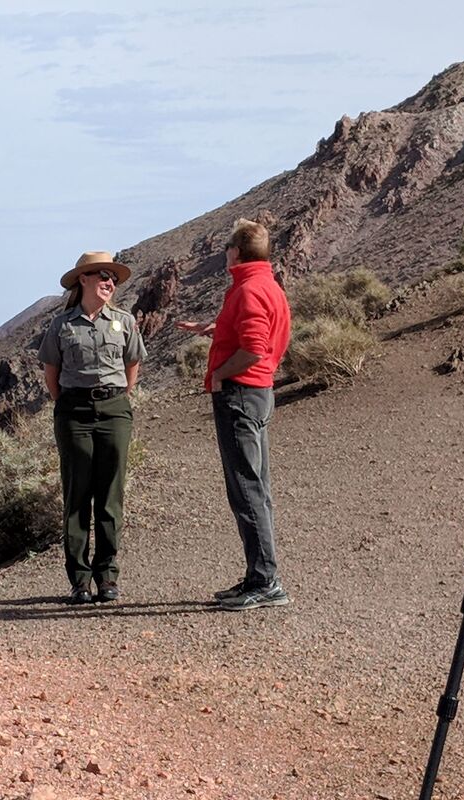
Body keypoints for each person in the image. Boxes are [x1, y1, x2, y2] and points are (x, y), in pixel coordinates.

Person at [177, 218, 291, 611]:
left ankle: (265, 581)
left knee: (246, 489)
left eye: (227, 246)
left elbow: (254, 348)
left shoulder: (247, 290)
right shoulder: (266, 286)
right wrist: (214, 329)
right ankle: (259, 574)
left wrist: (220, 374)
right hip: (259, 392)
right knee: (255, 486)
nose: (224, 253)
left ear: (236, 252)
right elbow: (253, 335)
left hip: (241, 395)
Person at [38, 252, 147, 604]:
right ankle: (79, 580)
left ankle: (108, 575)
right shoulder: (63, 325)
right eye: (102, 275)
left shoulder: (124, 321)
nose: (109, 282)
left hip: (114, 409)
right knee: (77, 495)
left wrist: (119, 397)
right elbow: (51, 373)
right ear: (82, 279)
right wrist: (68, 404)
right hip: (74, 411)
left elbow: (133, 364)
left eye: (112, 277)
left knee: (110, 495)